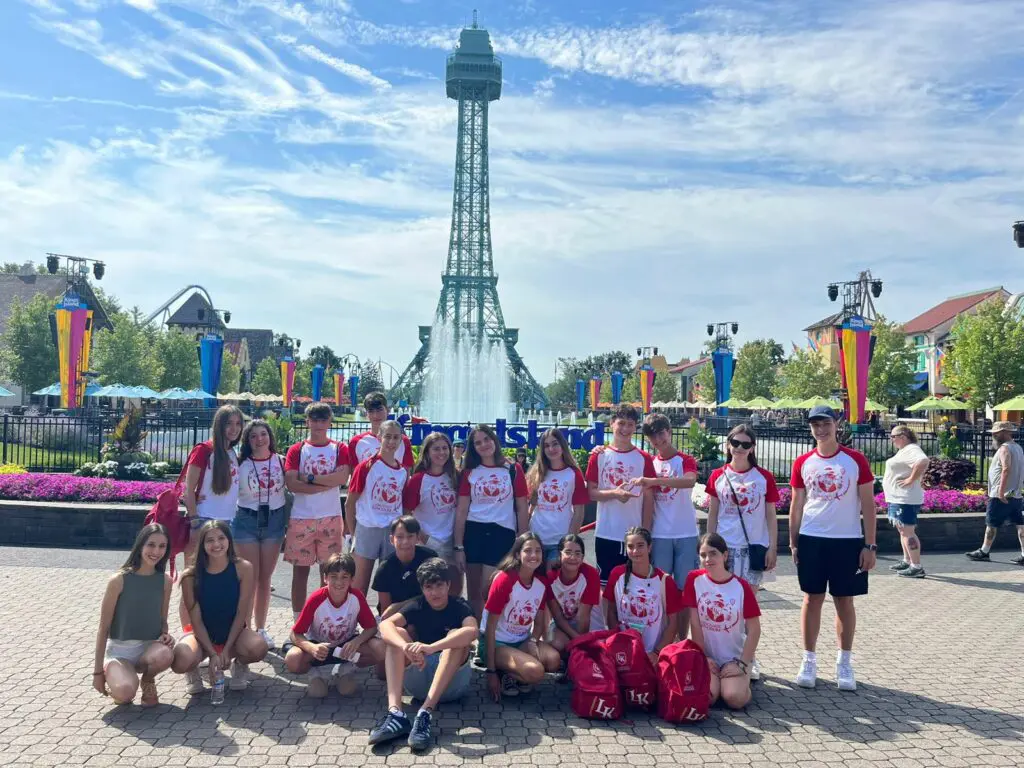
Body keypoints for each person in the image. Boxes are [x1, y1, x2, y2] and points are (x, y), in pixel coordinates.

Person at [790, 405, 877, 691]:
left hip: (847, 540)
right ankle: (809, 659)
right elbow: (797, 503)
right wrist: (793, 541)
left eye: (825, 423)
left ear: (836, 424)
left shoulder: (855, 461)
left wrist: (870, 544)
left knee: (844, 601)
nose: (821, 429)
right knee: (811, 599)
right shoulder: (802, 461)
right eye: (815, 424)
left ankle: (844, 661)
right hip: (811, 537)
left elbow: (868, 504)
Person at [370, 558, 478, 750]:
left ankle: (425, 713)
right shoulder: (417, 605)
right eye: (429, 587)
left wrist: (432, 647)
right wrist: (405, 647)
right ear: (422, 588)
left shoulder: (460, 605)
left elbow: (472, 632)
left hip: (452, 686)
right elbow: (385, 625)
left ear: (448, 585)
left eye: (439, 586)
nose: (435, 592)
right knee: (397, 635)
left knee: (457, 637)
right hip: (419, 679)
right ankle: (395, 714)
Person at [172, 521, 269, 695]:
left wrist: (225, 650)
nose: (216, 544)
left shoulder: (244, 568)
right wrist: (212, 653)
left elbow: (241, 613)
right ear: (202, 545)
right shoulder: (190, 576)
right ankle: (192, 669)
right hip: (200, 635)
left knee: (258, 647)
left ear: (229, 541)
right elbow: (195, 619)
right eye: (210, 540)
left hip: (234, 632)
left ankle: (239, 664)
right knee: (181, 659)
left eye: (221, 538)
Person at [92, 524, 175, 706]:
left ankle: (148, 679)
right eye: (151, 545)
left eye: (162, 546)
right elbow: (103, 628)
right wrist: (97, 672)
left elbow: (163, 621)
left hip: (148, 650)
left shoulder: (166, 581)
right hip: (120, 652)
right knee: (125, 693)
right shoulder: (119, 580)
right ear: (140, 545)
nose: (156, 551)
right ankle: (118, 677)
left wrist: (165, 635)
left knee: (166, 654)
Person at [285, 552, 386, 697]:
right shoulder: (316, 599)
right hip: (320, 648)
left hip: (345, 648)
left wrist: (357, 641)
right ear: (325, 578)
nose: (339, 582)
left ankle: (345, 669)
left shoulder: (356, 597)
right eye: (334, 577)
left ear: (352, 579)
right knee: (293, 660)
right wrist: (311, 647)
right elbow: (295, 633)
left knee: (380, 649)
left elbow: (371, 628)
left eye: (345, 577)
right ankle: (316, 673)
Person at [284, 402, 350, 622]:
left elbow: (341, 480)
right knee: (300, 573)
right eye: (315, 420)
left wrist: (310, 478)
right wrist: (326, 483)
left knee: (330, 573)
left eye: (323, 420)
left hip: (330, 516)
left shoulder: (340, 448)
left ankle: (325, 619)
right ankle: (298, 621)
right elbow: (292, 484)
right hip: (302, 517)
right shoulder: (297, 449)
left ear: (330, 422)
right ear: (307, 422)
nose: (319, 424)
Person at [454, 424, 529, 617]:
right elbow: (462, 510)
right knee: (473, 591)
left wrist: (523, 541)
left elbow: (522, 507)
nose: (483, 445)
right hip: (474, 532)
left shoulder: (512, 469)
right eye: (478, 442)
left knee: (490, 588)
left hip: (501, 533)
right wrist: (458, 546)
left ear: (494, 439)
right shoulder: (470, 471)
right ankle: (476, 634)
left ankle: (490, 632)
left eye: (486, 439)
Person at [480, 532, 566, 700]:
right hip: (496, 643)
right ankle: (502, 673)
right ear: (518, 554)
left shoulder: (541, 582)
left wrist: (533, 641)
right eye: (528, 550)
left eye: (538, 551)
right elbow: (490, 627)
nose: (533, 555)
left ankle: (512, 673)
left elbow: (539, 624)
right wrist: (490, 672)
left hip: (522, 641)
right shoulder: (505, 579)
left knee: (554, 660)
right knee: (535, 671)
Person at [180, 404, 243, 626]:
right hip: (204, 521)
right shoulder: (204, 450)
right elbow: (188, 489)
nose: (234, 429)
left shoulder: (232, 452)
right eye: (229, 423)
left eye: (238, 424)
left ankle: (210, 630)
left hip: (227, 523)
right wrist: (195, 520)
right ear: (219, 425)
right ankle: (189, 633)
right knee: (192, 582)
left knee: (215, 581)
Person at [682, 533, 761, 709]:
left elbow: (754, 629)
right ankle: (716, 679)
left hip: (734, 658)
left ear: (725, 555)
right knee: (708, 697)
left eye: (713, 553)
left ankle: (743, 678)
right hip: (708, 656)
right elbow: (695, 624)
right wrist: (704, 657)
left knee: (734, 698)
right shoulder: (694, 580)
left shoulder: (741, 586)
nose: (708, 559)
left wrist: (742, 663)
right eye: (703, 555)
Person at [585, 404, 656, 585]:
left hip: (634, 536)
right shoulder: (599, 456)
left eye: (630, 424)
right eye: (621, 423)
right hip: (606, 532)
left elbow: (649, 498)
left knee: (633, 585)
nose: (625, 429)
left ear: (635, 427)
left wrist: (645, 533)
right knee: (605, 586)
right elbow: (591, 493)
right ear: (611, 424)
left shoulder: (644, 458)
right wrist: (614, 493)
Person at [232, 418, 287, 648]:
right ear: (247, 440)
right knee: (249, 578)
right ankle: (244, 629)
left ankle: (261, 628)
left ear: (269, 436)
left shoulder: (281, 461)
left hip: (274, 521)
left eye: (263, 434)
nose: (259, 439)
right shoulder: (240, 463)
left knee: (265, 578)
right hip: (246, 520)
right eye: (253, 436)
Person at [628, 413, 699, 589]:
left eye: (661, 434)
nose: (658, 440)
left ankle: (685, 619)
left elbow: (689, 481)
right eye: (653, 436)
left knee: (686, 588)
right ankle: (664, 619)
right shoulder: (650, 463)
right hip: (660, 534)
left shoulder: (685, 460)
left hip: (686, 533)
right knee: (660, 587)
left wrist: (656, 481)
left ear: (670, 432)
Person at [706, 424, 780, 595]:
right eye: (736, 442)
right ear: (728, 444)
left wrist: (772, 548)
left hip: (753, 547)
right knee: (723, 597)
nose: (740, 447)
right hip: (724, 545)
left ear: (752, 448)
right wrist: (709, 544)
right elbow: (713, 513)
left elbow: (770, 515)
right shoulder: (718, 475)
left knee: (749, 601)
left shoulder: (764, 477)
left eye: (746, 445)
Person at [346, 420, 410, 595]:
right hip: (368, 528)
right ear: (379, 438)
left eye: (396, 437)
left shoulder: (403, 471)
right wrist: (353, 535)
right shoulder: (366, 467)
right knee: (359, 584)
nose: (391, 442)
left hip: (391, 531)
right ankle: (355, 621)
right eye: (387, 436)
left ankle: (385, 620)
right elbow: (350, 503)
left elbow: (403, 504)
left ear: (401, 440)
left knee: (389, 585)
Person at [603, 527, 682, 664]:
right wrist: (619, 644)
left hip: (654, 653)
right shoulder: (617, 574)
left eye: (640, 546)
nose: (635, 551)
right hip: (625, 652)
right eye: (630, 546)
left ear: (649, 547)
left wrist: (656, 653)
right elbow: (611, 611)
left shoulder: (665, 580)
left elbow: (673, 623)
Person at [404, 432, 462, 595]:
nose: (441, 452)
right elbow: (407, 513)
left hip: (451, 541)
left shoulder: (455, 476)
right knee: (427, 589)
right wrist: (422, 537)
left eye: (445, 448)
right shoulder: (418, 479)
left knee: (454, 588)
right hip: (427, 542)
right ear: (427, 452)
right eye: (436, 449)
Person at [526, 428, 589, 567]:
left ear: (562, 445)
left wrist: (570, 541)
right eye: (546, 446)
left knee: (554, 583)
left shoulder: (573, 474)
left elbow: (579, 512)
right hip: (536, 539)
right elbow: (531, 505)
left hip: (559, 540)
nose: (551, 449)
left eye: (555, 444)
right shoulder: (537, 472)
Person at [966, 421, 1024, 565]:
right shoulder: (1018, 448)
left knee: (991, 523)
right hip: (1015, 494)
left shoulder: (1005, 449)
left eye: (996, 433)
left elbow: (1006, 469)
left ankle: (984, 551)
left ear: (1004, 433)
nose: (993, 435)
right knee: (1020, 525)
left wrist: (1000, 491)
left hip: (1001, 494)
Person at [883, 425, 930, 578]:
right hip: (898, 498)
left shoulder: (911, 449)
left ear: (903, 436)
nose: (891, 439)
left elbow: (923, 461)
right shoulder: (904, 451)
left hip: (905, 499)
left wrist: (911, 479)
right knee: (903, 531)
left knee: (908, 532)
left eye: (893, 436)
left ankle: (916, 566)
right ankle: (907, 560)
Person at [541, 534, 602, 654]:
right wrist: (578, 640)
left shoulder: (591, 574)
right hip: (563, 623)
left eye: (578, 553)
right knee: (556, 644)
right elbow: (558, 617)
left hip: (589, 623)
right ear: (559, 554)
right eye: (568, 552)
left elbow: (583, 618)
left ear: (583, 557)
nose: (573, 557)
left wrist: (581, 642)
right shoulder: (550, 578)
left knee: (590, 649)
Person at [371, 516, 438, 617]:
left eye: (410, 536)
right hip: (398, 617)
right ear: (391, 539)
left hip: (427, 612)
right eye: (400, 537)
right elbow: (386, 613)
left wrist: (404, 604)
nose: (405, 542)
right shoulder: (385, 568)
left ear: (418, 537)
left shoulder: (430, 558)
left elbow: (438, 594)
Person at [349, 391, 414, 470]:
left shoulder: (403, 441)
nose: (375, 415)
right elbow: (354, 476)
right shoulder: (356, 442)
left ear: (388, 410)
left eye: (379, 410)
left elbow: (406, 476)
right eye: (371, 411)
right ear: (367, 414)